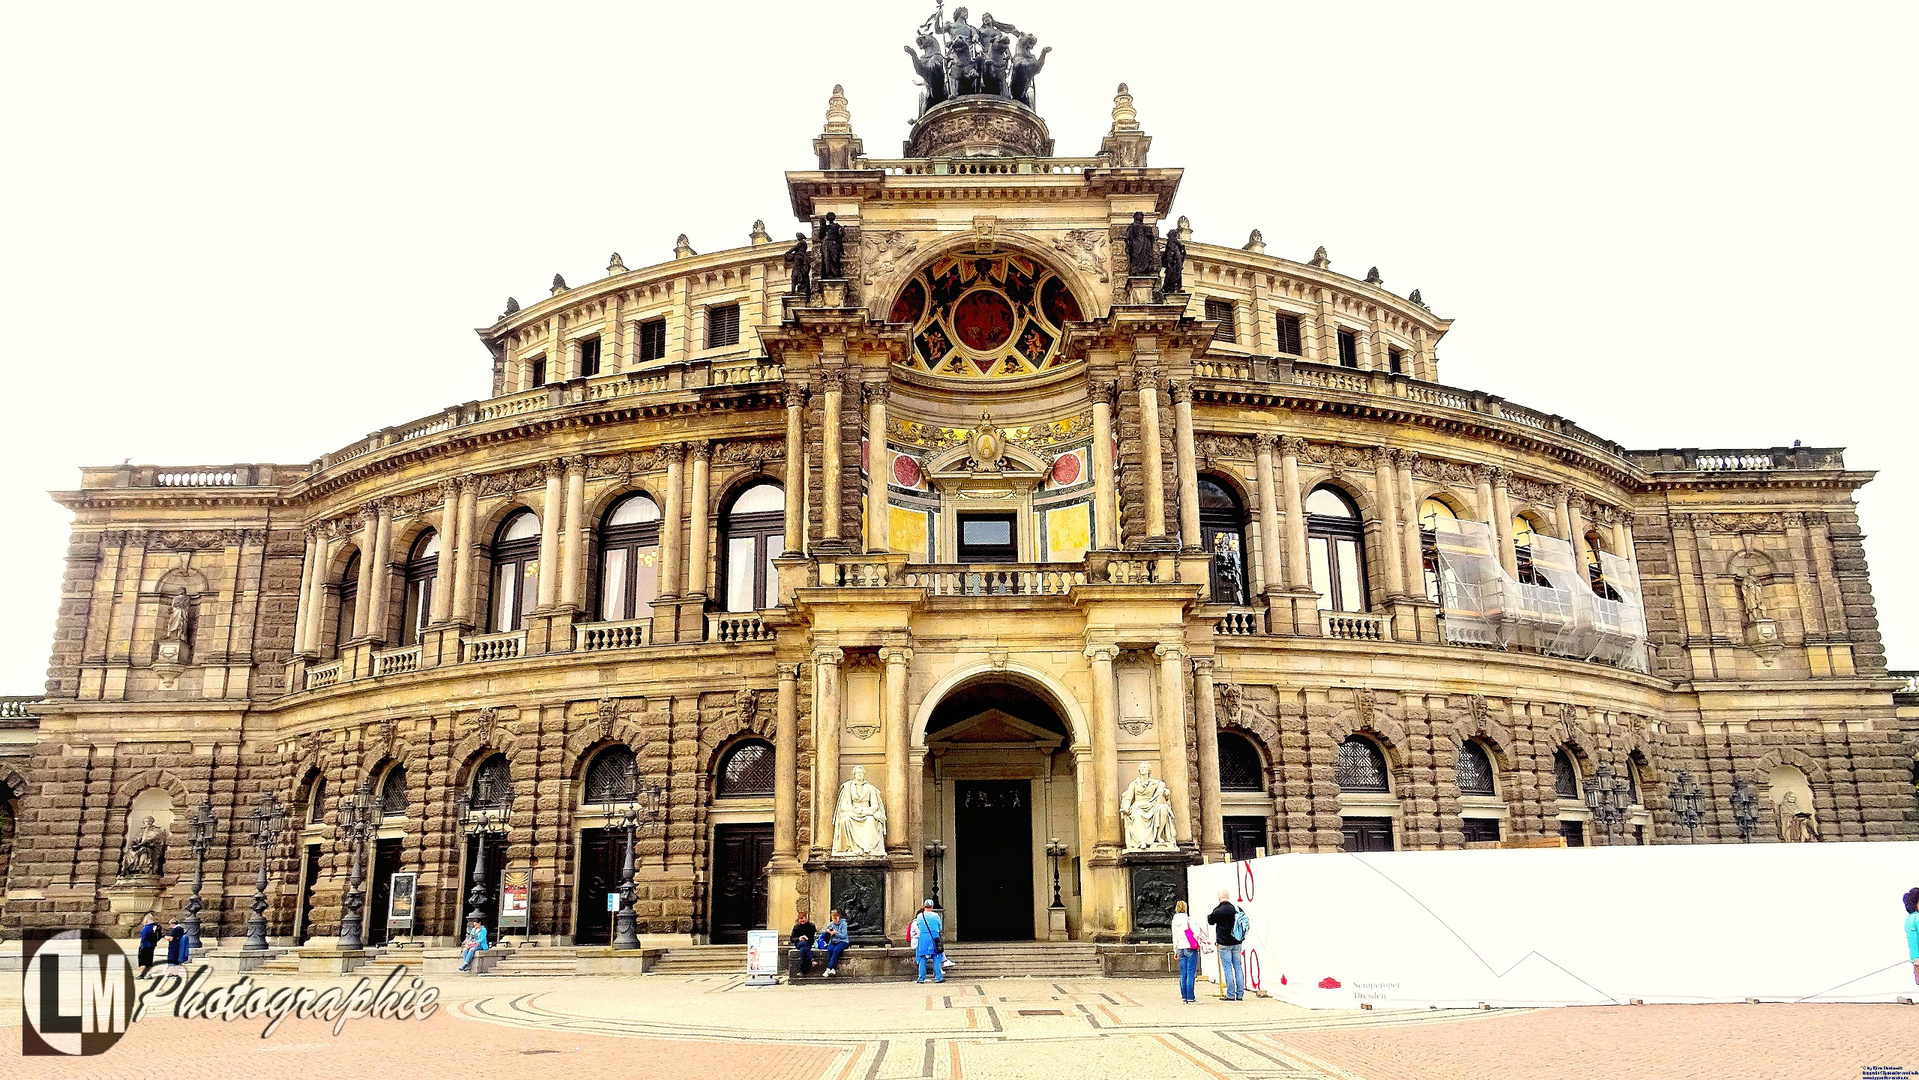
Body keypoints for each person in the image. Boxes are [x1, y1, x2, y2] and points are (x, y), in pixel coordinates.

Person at [1208, 890, 1245, 1001]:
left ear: (1219, 898)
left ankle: (1230, 994)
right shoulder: (1235, 909)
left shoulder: (1218, 911)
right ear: (1228, 897)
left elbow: (1210, 921)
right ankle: (1240, 994)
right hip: (1236, 942)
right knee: (1238, 967)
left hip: (1224, 943)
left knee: (1227, 968)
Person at [1171, 900, 1208, 1003]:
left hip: (1181, 948)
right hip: (1190, 947)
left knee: (1183, 973)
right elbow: (1197, 932)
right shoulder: (1188, 919)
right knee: (1191, 972)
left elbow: (1175, 936)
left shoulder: (1174, 921)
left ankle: (1184, 996)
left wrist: (1175, 950)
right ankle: (1191, 997)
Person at [911, 899, 944, 984]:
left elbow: (918, 927)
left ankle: (921, 978)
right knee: (936, 958)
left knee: (922, 958)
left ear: (924, 906)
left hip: (923, 939)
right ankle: (938, 977)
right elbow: (940, 928)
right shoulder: (936, 916)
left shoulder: (920, 916)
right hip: (934, 938)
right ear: (932, 907)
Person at [820, 909, 850, 977]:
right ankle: (832, 969)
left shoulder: (843, 924)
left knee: (836, 950)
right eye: (833, 918)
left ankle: (829, 968)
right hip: (834, 941)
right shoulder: (831, 924)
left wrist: (836, 933)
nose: (834, 920)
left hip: (843, 941)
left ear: (839, 917)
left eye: (836, 918)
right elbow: (823, 930)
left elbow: (844, 935)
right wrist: (827, 931)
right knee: (830, 950)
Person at [790, 910, 818, 975]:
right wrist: (799, 938)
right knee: (803, 943)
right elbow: (791, 939)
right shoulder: (796, 927)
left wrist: (807, 938)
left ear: (806, 918)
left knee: (803, 950)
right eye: (800, 920)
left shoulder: (811, 926)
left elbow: (815, 937)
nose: (802, 922)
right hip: (799, 943)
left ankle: (800, 971)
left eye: (803, 920)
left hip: (808, 944)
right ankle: (812, 960)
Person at [136, 913, 162, 979]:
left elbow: (144, 937)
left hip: (145, 946)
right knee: (149, 961)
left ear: (146, 921)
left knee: (143, 961)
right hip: (152, 945)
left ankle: (141, 974)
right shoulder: (155, 927)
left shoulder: (146, 928)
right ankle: (149, 974)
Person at [1904, 887, 1919, 986]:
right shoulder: (1917, 918)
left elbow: (1911, 940)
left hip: (1915, 958)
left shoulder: (1908, 919)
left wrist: (1915, 958)